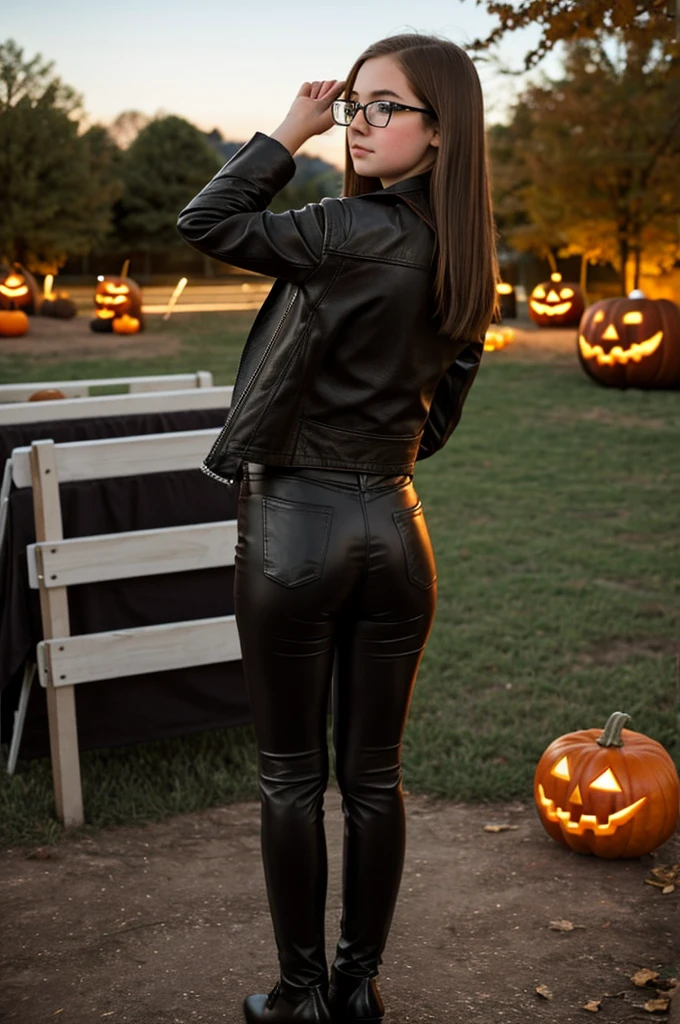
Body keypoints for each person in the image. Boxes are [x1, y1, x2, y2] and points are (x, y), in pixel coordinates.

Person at [176, 31, 497, 1024]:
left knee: (288, 776)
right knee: (372, 780)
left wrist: (289, 128)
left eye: (381, 106)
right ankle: (357, 988)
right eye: (350, 103)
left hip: (295, 528)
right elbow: (436, 418)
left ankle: (299, 992)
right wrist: (374, 452)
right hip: (396, 530)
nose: (357, 121)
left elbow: (210, 216)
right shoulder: (466, 256)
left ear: (439, 134)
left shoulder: (345, 229)